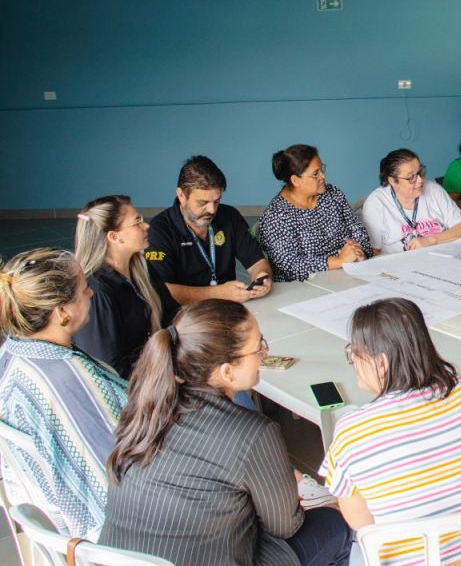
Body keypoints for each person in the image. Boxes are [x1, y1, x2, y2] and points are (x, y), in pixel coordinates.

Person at [101, 299, 352, 566]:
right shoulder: (254, 432)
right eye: (258, 348)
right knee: (333, 523)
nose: (264, 354)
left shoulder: (145, 409)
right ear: (227, 372)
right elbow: (285, 527)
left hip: (115, 558)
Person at [320, 298, 461, 566]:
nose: (352, 360)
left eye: (355, 353)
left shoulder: (352, 429)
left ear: (381, 362)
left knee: (361, 544)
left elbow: (362, 523)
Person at [0, 248, 127, 540]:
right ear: (62, 312)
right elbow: (119, 475)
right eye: (84, 290)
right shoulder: (70, 379)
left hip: (56, 524)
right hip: (110, 534)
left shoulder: (12, 353)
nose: (92, 294)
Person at [146, 155, 272, 324]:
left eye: (217, 201)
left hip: (228, 310)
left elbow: (257, 262)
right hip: (184, 317)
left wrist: (262, 278)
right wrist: (218, 293)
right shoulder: (159, 229)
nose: (212, 210)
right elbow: (162, 290)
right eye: (203, 202)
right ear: (181, 196)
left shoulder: (230, 216)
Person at [73, 195, 162, 377]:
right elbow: (107, 370)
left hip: (152, 370)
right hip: (130, 388)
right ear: (114, 237)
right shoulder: (97, 292)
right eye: (137, 221)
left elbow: (170, 312)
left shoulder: (142, 270)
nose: (146, 226)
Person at [258, 144, 371, 281]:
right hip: (303, 286)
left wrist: (360, 252)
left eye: (322, 169)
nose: (323, 176)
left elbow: (357, 229)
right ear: (295, 180)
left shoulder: (333, 194)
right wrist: (339, 260)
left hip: (348, 272)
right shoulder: (275, 216)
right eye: (315, 174)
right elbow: (291, 266)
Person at [361, 149, 461, 255]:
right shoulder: (376, 204)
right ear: (392, 180)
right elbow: (374, 252)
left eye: (420, 172)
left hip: (442, 256)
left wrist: (430, 240)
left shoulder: (434, 189)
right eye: (411, 177)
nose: (420, 180)